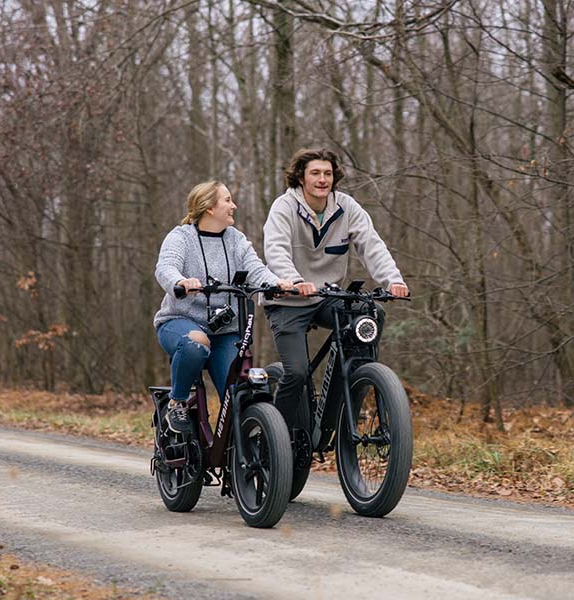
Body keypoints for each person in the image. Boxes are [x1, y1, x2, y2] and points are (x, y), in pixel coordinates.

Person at [262, 148, 409, 451]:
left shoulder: (346, 207)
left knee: (370, 312)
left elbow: (371, 244)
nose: (322, 179)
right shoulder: (284, 207)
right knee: (298, 372)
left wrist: (393, 280)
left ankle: (352, 387)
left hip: (325, 296)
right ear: (301, 177)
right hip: (288, 299)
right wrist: (295, 281)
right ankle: (273, 442)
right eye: (315, 173)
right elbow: (275, 251)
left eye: (327, 173)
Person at [154, 180, 291, 434]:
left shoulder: (235, 239)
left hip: (225, 331)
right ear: (208, 208)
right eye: (227, 200)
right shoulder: (181, 237)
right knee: (197, 344)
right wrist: (181, 282)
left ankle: (236, 455)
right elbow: (166, 267)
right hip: (180, 322)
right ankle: (178, 402)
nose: (233, 206)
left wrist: (277, 283)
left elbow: (255, 269)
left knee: (238, 397)